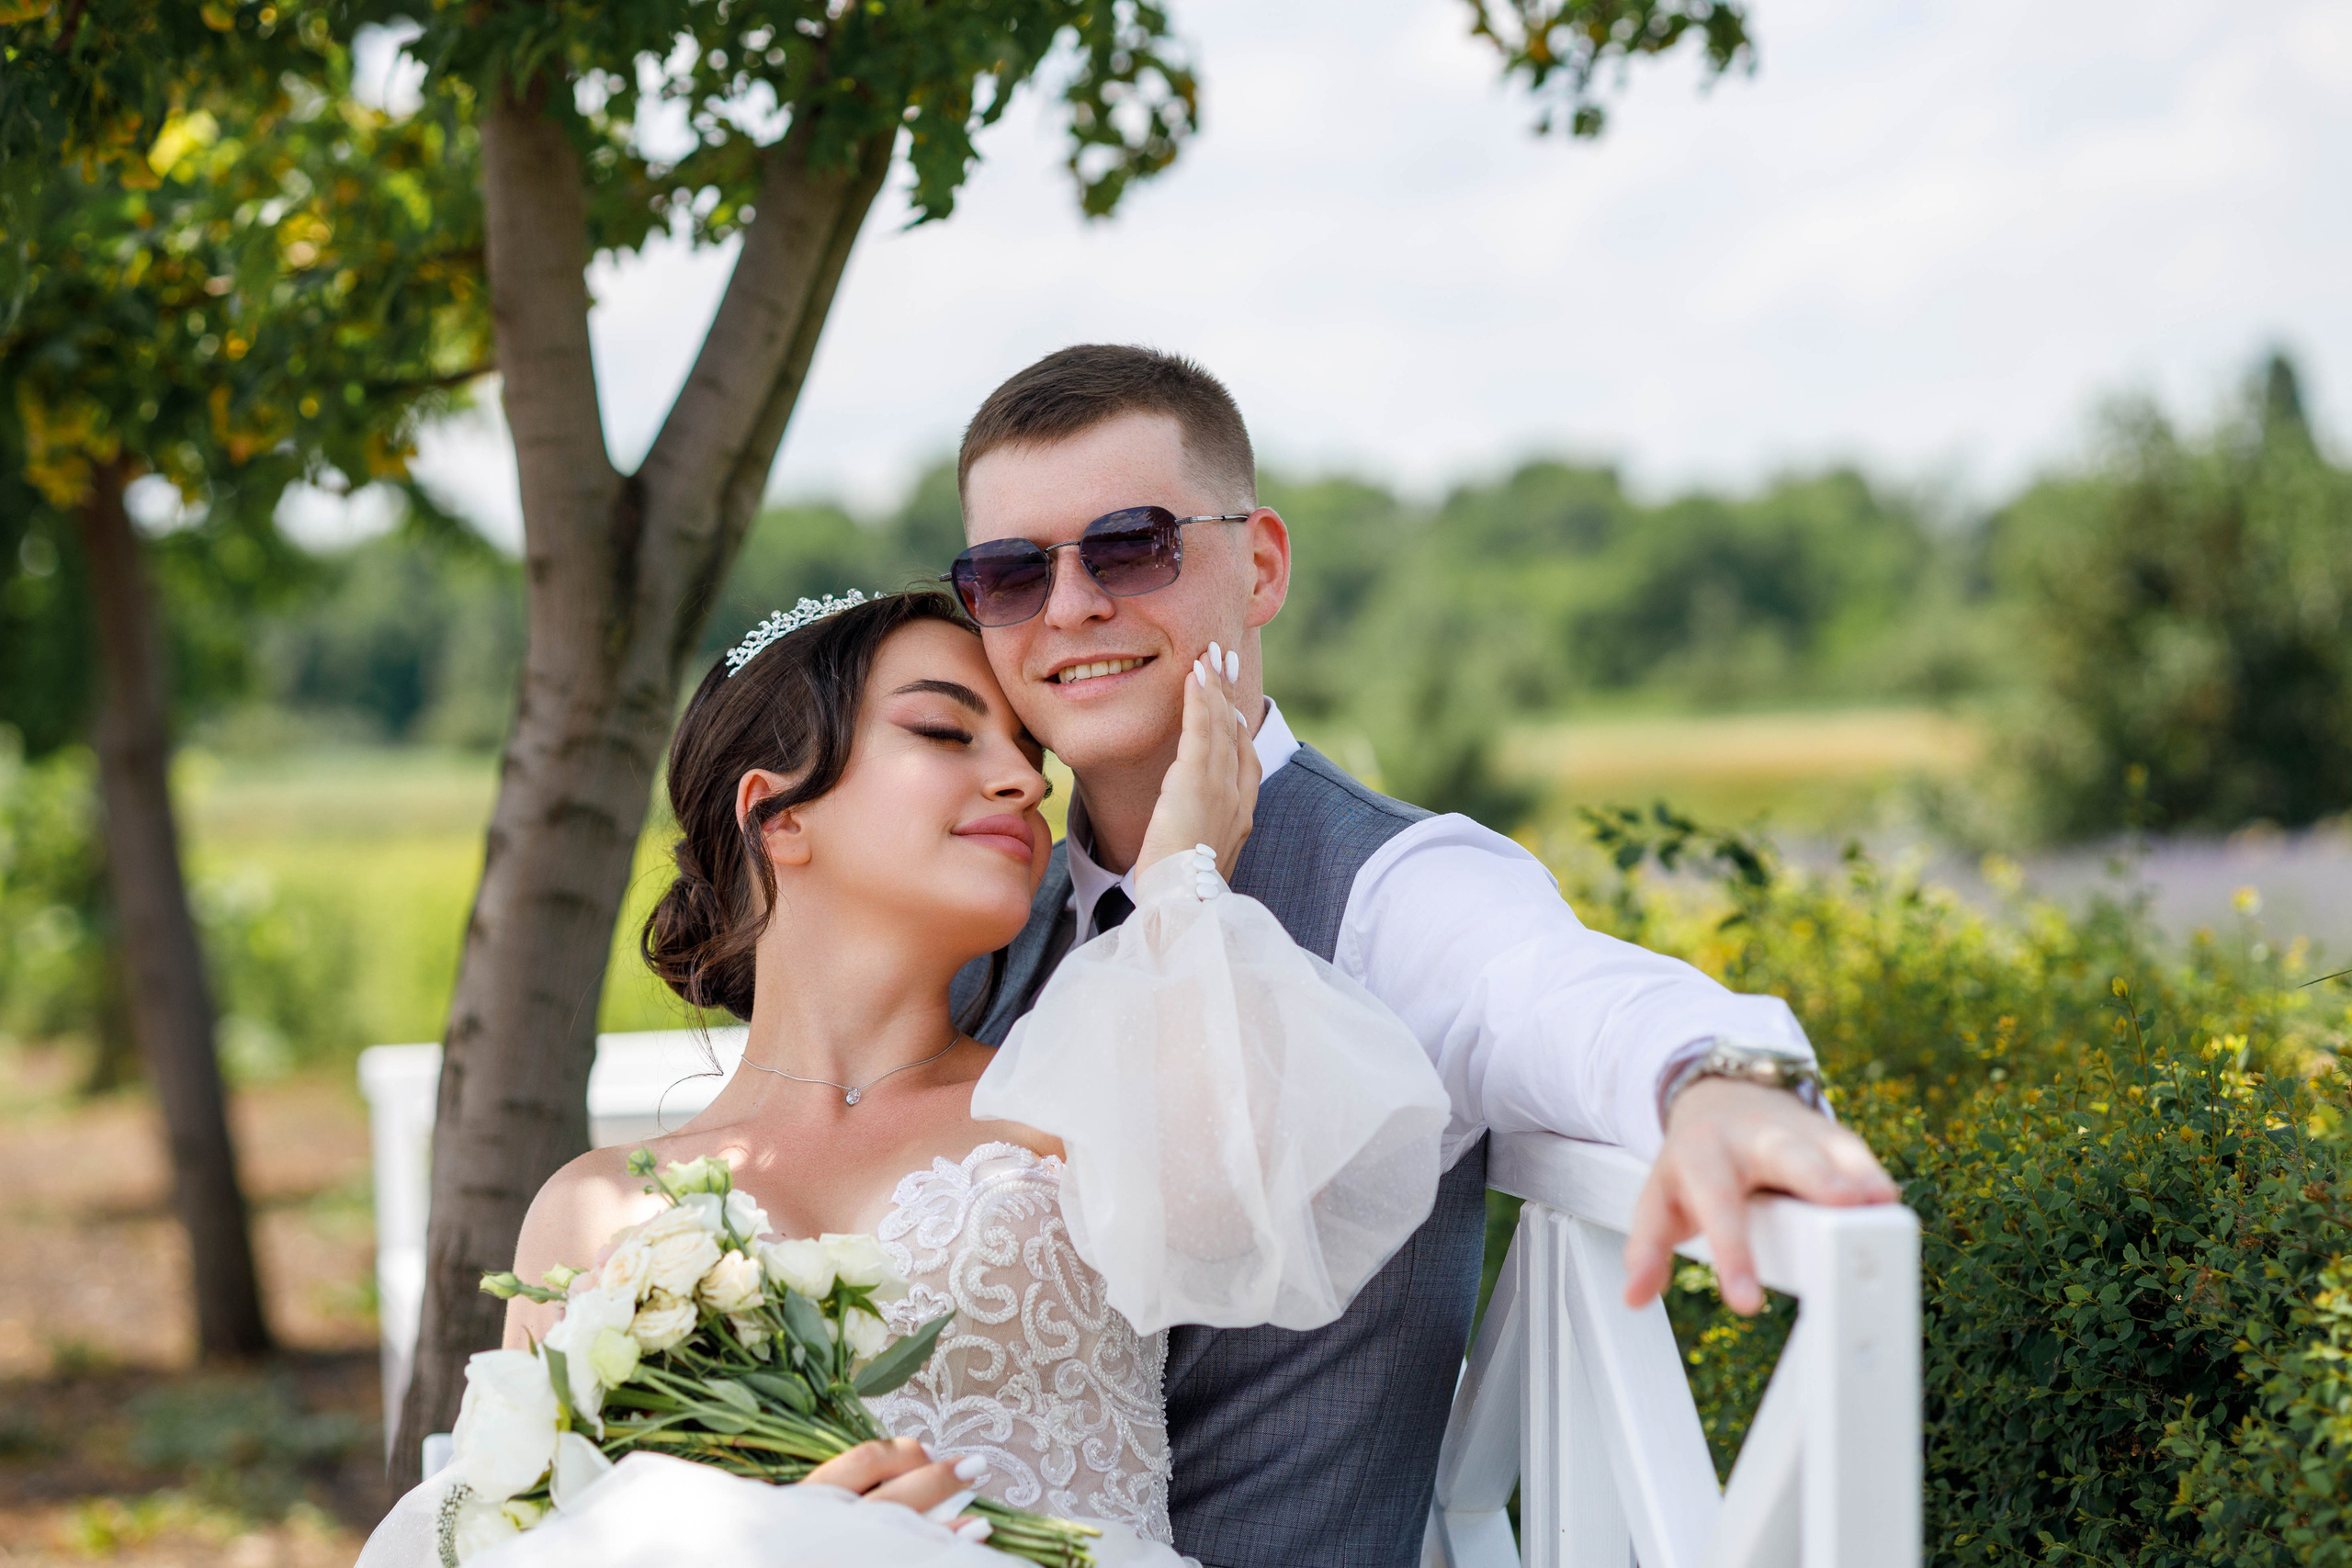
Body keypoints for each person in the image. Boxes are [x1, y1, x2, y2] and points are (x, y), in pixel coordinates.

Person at [941, 344, 1900, 1568]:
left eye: (1131, 544)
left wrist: (1721, 1081)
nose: (1070, 603)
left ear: (1263, 563)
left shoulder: (1394, 887)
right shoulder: (998, 919)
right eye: (1011, 572)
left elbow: (1559, 994)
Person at [355, 588, 1456, 1568]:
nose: (1024, 780)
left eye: (1032, 751)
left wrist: (1179, 883)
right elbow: (516, 1526)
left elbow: (1262, 1220)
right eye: (943, 728)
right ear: (777, 815)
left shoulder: (1066, 1107)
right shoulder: (588, 1209)